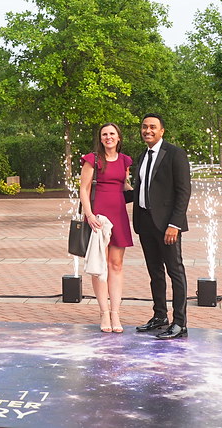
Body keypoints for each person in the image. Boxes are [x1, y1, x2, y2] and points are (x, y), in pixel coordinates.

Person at [126, 113, 192, 340]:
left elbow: (183, 192)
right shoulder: (142, 156)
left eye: (153, 127)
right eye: (144, 127)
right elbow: (140, 190)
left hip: (168, 226)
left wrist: (175, 224)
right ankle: (160, 316)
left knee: (175, 272)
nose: (148, 131)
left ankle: (180, 323)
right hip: (145, 223)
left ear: (162, 130)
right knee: (155, 273)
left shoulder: (175, 153)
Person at [79, 123, 134, 333]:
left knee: (117, 265)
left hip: (119, 215)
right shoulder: (92, 160)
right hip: (98, 216)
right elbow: (84, 189)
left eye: (112, 134)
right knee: (100, 266)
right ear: (100, 138)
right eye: (104, 134)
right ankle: (103, 312)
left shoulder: (125, 160)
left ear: (118, 137)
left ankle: (115, 313)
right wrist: (89, 214)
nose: (108, 137)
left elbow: (124, 185)